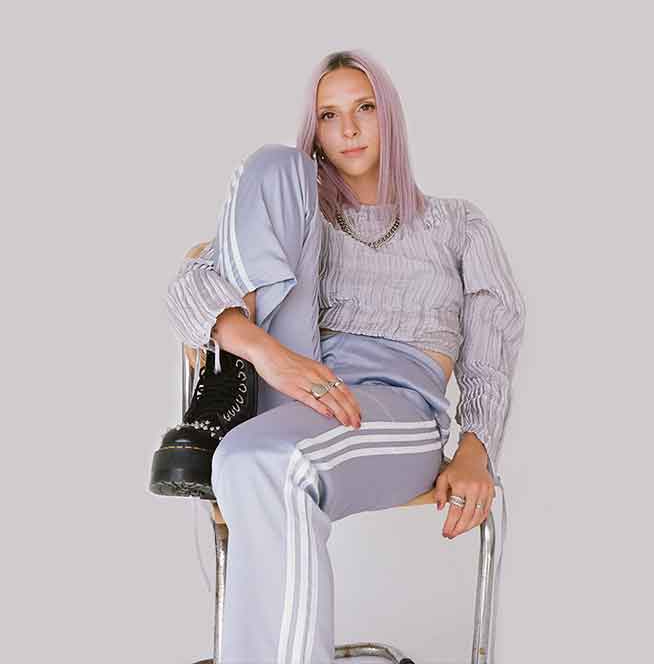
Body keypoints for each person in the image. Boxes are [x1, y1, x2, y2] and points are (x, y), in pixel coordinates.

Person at [149, 49, 526, 663]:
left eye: (364, 108)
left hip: (396, 405)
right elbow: (187, 289)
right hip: (294, 381)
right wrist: (268, 355)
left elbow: (492, 348)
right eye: (329, 115)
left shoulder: (457, 225)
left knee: (251, 460)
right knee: (273, 165)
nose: (348, 129)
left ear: (390, 116)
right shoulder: (304, 219)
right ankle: (225, 390)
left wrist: (474, 450)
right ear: (317, 130)